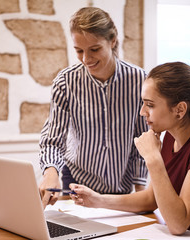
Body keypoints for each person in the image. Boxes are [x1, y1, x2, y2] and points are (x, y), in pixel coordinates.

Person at [69, 62, 190, 239]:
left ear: (180, 110)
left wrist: (153, 158)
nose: (142, 112)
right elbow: (150, 199)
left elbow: (178, 224)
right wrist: (97, 199)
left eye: (150, 105)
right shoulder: (169, 136)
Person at [38, 7, 148, 208]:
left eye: (94, 49)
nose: (86, 59)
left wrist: (143, 196)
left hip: (121, 187)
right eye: (79, 50)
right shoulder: (65, 82)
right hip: (75, 183)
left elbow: (143, 140)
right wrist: (50, 172)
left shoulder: (140, 81)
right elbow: (53, 139)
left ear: (112, 40)